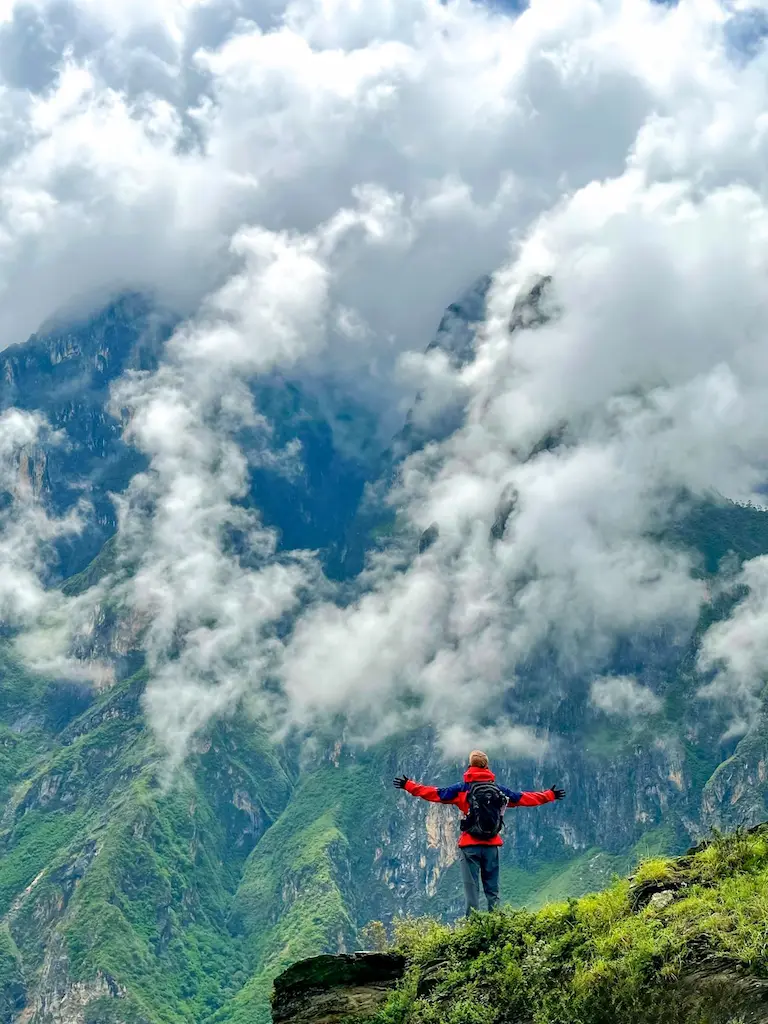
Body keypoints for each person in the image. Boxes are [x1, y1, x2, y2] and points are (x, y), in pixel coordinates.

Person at [394, 750, 565, 917]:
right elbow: (523, 798)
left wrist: (409, 785)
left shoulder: (462, 789)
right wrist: (549, 795)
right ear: (487, 766)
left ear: (470, 766)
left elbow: (434, 794)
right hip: (492, 845)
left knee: (472, 890)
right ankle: (497, 925)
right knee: (492, 890)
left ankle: (473, 929)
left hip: (469, 847)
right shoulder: (498, 791)